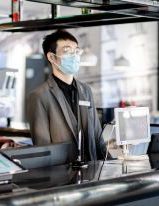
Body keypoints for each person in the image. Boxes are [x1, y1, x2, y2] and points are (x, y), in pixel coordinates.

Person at [28, 30, 107, 162]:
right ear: (52, 57)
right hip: (62, 174)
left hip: (92, 171)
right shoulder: (39, 96)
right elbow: (43, 147)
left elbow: (98, 137)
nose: (74, 56)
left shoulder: (86, 90)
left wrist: (109, 165)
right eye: (67, 51)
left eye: (76, 51)